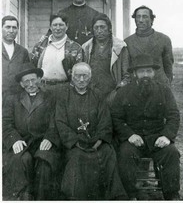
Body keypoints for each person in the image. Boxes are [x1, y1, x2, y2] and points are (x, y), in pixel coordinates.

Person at [111, 54, 180, 200]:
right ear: (135, 73)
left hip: (157, 138)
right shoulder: (123, 92)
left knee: (171, 153)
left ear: (154, 73)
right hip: (133, 139)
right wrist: (129, 135)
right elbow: (116, 117)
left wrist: (166, 136)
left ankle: (171, 195)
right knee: (125, 153)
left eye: (149, 71)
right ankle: (131, 195)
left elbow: (174, 116)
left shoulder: (164, 91)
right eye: (142, 72)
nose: (145, 75)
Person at [55, 62, 127, 200]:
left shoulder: (98, 95)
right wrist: (75, 141)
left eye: (85, 76)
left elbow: (105, 120)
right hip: (74, 144)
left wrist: (100, 139)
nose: (81, 80)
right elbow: (61, 122)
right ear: (72, 77)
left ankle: (112, 197)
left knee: (107, 153)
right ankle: (76, 197)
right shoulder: (64, 97)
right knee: (76, 157)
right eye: (78, 76)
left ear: (90, 77)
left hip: (96, 141)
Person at [3, 63, 61, 200]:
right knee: (21, 160)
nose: (31, 84)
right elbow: (5, 123)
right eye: (26, 81)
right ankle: (22, 199)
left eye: (33, 80)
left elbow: (56, 121)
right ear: (22, 84)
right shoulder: (13, 99)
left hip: (43, 141)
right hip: (22, 141)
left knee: (45, 162)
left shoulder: (51, 97)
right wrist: (14, 139)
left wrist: (50, 138)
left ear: (39, 80)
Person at [82, 13, 130, 106]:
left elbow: (127, 75)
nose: (99, 31)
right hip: (91, 95)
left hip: (113, 95)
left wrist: (117, 92)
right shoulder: (86, 48)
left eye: (102, 27)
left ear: (109, 29)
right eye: (96, 28)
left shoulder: (120, 47)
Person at [31, 13, 83, 94]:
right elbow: (33, 66)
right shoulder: (40, 46)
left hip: (65, 89)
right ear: (50, 27)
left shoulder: (76, 48)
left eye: (61, 25)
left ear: (67, 27)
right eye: (55, 25)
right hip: (43, 89)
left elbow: (79, 72)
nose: (58, 28)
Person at [124, 6, 174, 85]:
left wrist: (166, 84)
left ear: (151, 20)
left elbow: (168, 67)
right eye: (138, 17)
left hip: (159, 86)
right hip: (136, 88)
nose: (141, 20)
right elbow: (126, 69)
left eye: (145, 17)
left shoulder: (164, 39)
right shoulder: (127, 42)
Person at [2, 15, 30, 97]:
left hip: (17, 97)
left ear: (17, 30)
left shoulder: (23, 52)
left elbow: (27, 76)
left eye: (14, 28)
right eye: (8, 27)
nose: (11, 31)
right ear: (1, 28)